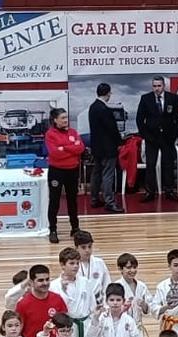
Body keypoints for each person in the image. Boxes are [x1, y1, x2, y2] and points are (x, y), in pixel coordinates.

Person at [136, 76, 178, 202]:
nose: (157, 89)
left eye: (159, 86)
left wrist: (174, 135)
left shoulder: (173, 98)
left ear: (163, 86)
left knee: (168, 164)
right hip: (151, 138)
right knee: (150, 165)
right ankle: (150, 192)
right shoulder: (146, 99)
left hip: (168, 138)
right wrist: (146, 136)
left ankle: (169, 191)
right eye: (154, 86)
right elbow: (140, 120)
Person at [45, 108, 84, 243]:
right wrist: (71, 147)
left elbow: (80, 148)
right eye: (62, 118)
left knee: (72, 200)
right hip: (57, 171)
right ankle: (53, 230)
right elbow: (55, 153)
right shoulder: (50, 134)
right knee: (54, 201)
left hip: (72, 170)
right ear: (55, 120)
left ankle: (75, 228)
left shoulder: (73, 132)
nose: (65, 120)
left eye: (66, 117)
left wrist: (64, 147)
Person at [87, 83, 123, 213]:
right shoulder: (104, 109)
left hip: (96, 147)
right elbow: (112, 129)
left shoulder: (92, 107)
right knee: (108, 174)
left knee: (96, 173)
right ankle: (109, 202)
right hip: (108, 148)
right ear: (108, 93)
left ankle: (94, 199)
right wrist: (119, 142)